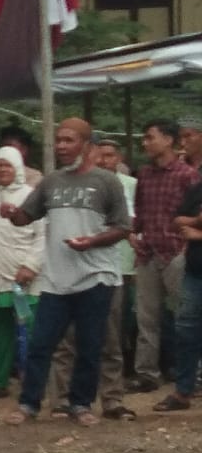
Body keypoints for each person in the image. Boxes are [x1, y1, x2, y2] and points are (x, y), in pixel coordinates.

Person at [3, 119, 134, 427]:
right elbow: (26, 217)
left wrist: (91, 242)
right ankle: (28, 403)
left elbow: (123, 228)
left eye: (68, 140)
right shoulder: (51, 182)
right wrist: (12, 213)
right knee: (41, 343)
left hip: (96, 276)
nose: (61, 146)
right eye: (58, 140)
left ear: (87, 146)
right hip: (57, 278)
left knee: (90, 344)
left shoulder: (107, 182)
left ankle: (80, 403)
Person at [40, 139, 138, 421]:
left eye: (110, 155)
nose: (104, 159)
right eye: (100, 153)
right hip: (66, 271)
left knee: (108, 339)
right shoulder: (66, 184)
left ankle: (112, 399)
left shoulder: (120, 186)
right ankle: (61, 399)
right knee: (66, 339)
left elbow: (128, 226)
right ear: (89, 152)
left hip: (107, 272)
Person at [131, 119, 197, 391]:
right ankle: (147, 374)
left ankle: (191, 376)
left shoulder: (187, 175)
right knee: (146, 319)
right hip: (148, 252)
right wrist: (132, 234)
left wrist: (186, 242)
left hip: (177, 252)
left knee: (188, 318)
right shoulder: (144, 174)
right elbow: (140, 212)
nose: (145, 143)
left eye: (150, 137)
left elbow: (196, 214)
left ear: (168, 140)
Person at [0, 146, 44, 400]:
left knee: (32, 332)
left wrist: (31, 266)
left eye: (8, 165)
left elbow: (43, 236)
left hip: (25, 276)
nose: (3, 170)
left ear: (18, 169)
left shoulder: (31, 196)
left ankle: (35, 382)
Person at [156, 175, 202, 411]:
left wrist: (198, 233)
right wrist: (197, 220)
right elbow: (176, 221)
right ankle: (183, 391)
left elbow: (189, 228)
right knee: (186, 330)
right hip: (195, 272)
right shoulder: (197, 189)